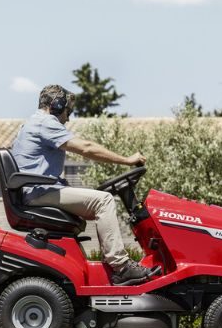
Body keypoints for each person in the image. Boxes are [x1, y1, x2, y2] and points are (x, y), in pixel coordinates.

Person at [11, 84, 161, 286]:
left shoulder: (33, 122)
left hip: (37, 190)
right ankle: (121, 267)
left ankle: (113, 266)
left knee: (100, 200)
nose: (68, 118)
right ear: (57, 105)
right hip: (40, 192)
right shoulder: (45, 123)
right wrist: (127, 160)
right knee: (103, 201)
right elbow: (86, 148)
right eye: (68, 111)